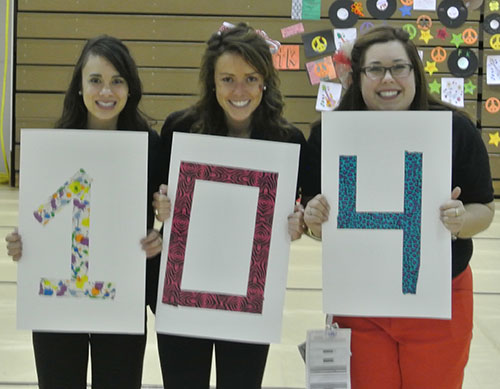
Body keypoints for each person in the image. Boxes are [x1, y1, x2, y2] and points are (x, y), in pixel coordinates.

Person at [304, 26, 495, 389]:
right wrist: (315, 221)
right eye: (375, 69)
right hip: (360, 302)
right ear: (357, 76)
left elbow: (484, 209)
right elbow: (317, 224)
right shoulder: (328, 136)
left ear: (415, 72)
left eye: (398, 67)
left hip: (440, 298)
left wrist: (460, 220)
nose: (387, 78)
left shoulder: (456, 131)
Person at [5, 35, 169, 389]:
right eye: (95, 80)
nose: (106, 91)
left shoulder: (151, 147)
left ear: (130, 88)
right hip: (57, 303)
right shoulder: (55, 146)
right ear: (80, 87)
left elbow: (163, 221)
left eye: (117, 81)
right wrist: (24, 243)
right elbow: (41, 220)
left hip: (120, 298)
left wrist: (159, 235)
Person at [154, 22, 308, 389]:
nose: (240, 91)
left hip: (250, 299)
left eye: (251, 78)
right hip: (184, 294)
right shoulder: (181, 129)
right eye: (227, 79)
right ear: (212, 82)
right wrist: (160, 205)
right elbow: (159, 204)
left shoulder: (287, 141)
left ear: (266, 80)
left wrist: (297, 223)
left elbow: (297, 216)